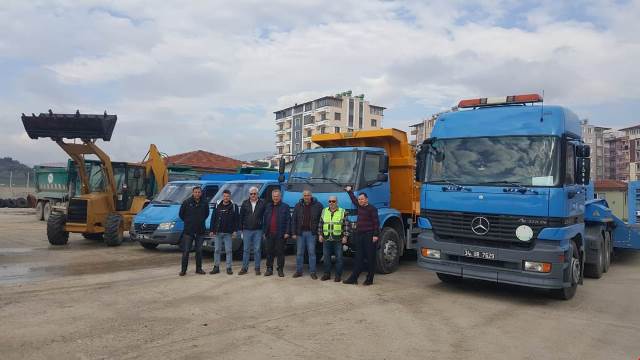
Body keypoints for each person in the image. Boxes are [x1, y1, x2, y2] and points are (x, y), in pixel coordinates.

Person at [342, 185, 379, 286]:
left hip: (369, 235)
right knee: (358, 257)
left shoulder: (372, 209)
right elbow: (353, 199)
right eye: (359, 199)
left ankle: (369, 279)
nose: (360, 201)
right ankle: (353, 278)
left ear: (366, 199)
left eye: (362, 199)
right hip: (359, 235)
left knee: (370, 257)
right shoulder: (359, 206)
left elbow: (376, 223)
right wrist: (350, 191)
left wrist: (375, 235)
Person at [178, 186, 210, 276]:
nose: (197, 194)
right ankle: (183, 270)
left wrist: (199, 221)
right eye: (195, 192)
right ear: (193, 193)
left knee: (199, 251)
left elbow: (206, 214)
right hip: (189, 231)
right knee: (186, 251)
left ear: (201, 193)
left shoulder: (204, 203)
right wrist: (189, 222)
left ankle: (199, 269)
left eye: (199, 192)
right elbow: (181, 214)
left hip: (200, 231)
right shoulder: (186, 202)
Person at [291, 190, 323, 279]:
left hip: (312, 233)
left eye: (308, 195)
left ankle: (312, 272)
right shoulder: (298, 205)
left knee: (312, 253)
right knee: (299, 253)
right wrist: (293, 233)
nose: (306, 197)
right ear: (303, 196)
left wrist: (319, 233)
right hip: (300, 233)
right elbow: (294, 220)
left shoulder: (318, 205)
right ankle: (299, 271)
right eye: (305, 195)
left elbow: (322, 220)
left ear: (311, 196)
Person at [318, 195, 349, 282]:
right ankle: (326, 274)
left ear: (337, 202)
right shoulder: (324, 211)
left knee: (339, 258)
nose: (331, 203)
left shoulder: (343, 211)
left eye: (333, 201)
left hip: (338, 239)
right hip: (326, 239)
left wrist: (345, 236)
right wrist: (320, 235)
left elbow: (346, 225)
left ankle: (338, 276)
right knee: (326, 258)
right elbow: (320, 224)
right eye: (330, 201)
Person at [209, 189, 239, 275]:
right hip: (218, 232)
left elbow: (237, 219)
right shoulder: (217, 205)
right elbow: (213, 218)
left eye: (228, 196)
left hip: (228, 233)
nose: (226, 198)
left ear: (230, 197)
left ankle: (229, 268)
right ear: (223, 196)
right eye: (225, 196)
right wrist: (212, 230)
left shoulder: (234, 206)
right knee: (217, 250)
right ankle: (216, 267)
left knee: (228, 251)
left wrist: (235, 231)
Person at [262, 189, 290, 277]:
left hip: (280, 234)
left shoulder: (285, 206)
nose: (275, 198)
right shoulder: (268, 206)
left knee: (280, 252)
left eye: (277, 196)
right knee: (269, 251)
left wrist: (287, 232)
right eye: (274, 196)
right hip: (269, 233)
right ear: (272, 197)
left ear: (280, 197)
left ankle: (280, 269)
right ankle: (269, 269)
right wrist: (264, 231)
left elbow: (288, 220)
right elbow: (265, 219)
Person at [239, 186, 266, 275]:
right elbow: (241, 217)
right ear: (249, 195)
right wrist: (241, 229)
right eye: (251, 194)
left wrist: (264, 229)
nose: (253, 195)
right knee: (246, 250)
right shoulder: (245, 203)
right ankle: (244, 268)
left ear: (257, 194)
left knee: (257, 250)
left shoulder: (262, 203)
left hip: (258, 230)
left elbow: (265, 217)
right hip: (247, 230)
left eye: (255, 193)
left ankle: (257, 268)